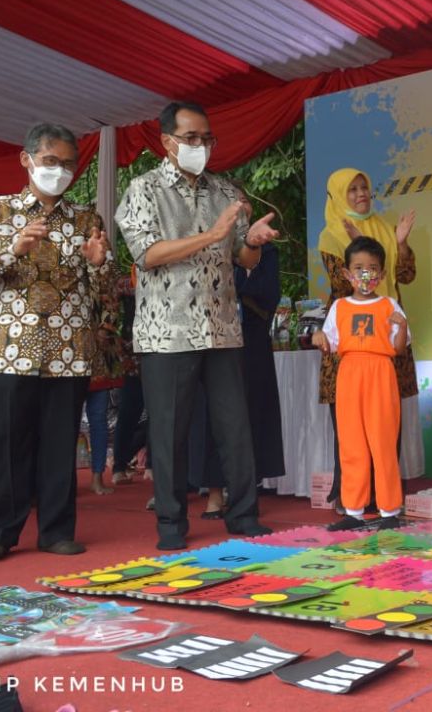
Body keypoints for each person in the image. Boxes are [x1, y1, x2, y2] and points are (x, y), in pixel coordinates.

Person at [115, 101, 278, 550]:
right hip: (166, 331)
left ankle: (243, 514)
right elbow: (146, 255)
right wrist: (212, 234)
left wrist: (253, 242)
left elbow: (241, 257)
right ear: (167, 142)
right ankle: (170, 525)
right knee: (169, 430)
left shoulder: (225, 190)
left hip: (222, 326)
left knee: (234, 425)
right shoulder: (142, 190)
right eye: (191, 138)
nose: (201, 146)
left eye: (207, 138)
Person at [0, 123, 111, 560]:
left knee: (60, 444)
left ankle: (57, 531)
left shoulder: (86, 219)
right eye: (50, 161)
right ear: (27, 160)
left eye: (67, 164)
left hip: (68, 350)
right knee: (2, 443)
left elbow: (104, 287)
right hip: (6, 349)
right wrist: (12, 250)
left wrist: (99, 265)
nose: (59, 171)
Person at [317, 169, 418, 510]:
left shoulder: (385, 227)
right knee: (349, 428)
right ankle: (349, 497)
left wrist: (399, 243)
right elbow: (345, 287)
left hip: (388, 332)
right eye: (353, 189)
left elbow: (405, 275)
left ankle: (386, 497)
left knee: (386, 424)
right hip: (350, 339)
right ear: (338, 195)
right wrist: (355, 243)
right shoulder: (331, 236)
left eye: (365, 187)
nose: (361, 193)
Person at [313, 236, 409, 530]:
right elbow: (330, 341)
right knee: (352, 442)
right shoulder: (340, 306)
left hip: (381, 372)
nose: (365, 275)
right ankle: (353, 509)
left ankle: (389, 510)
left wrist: (402, 327)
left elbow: (399, 348)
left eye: (372, 268)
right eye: (359, 268)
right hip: (349, 374)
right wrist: (319, 338)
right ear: (347, 274)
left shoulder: (389, 304)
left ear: (381, 274)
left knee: (383, 441)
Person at [234, 240, 286, 483]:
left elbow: (269, 292)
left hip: (253, 339)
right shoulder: (213, 240)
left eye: (245, 199)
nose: (241, 204)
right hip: (217, 339)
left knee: (255, 405)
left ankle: (252, 478)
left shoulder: (267, 249)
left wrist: (242, 286)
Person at [84, 220, 126, 496]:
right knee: (61, 420)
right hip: (66, 353)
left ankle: (98, 476)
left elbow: (113, 302)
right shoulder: (67, 260)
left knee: (98, 417)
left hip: (98, 354)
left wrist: (103, 329)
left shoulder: (109, 266)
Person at [110, 267, 145, 486]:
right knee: (130, 409)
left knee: (156, 411)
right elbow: (112, 300)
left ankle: (148, 465)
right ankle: (119, 465)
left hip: (154, 349)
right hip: (133, 350)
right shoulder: (126, 282)